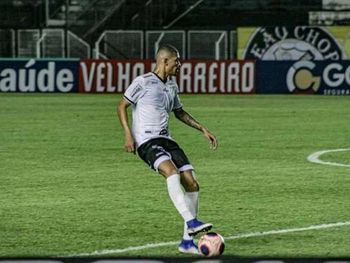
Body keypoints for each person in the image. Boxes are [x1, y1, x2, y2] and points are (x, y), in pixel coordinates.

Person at [117, 44, 218, 254]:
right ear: (165, 61)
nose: (179, 64)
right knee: (171, 172)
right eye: (177, 61)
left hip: (166, 140)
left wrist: (202, 129)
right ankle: (191, 222)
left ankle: (187, 243)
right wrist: (128, 134)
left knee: (192, 183)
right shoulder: (143, 82)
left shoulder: (171, 86)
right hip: (146, 141)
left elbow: (179, 112)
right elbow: (121, 106)